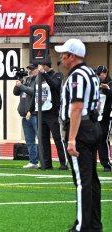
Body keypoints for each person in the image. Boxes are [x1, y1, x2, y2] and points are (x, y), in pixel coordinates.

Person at [55, 38, 102, 232]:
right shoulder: (91, 73)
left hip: (81, 129)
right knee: (92, 179)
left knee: (82, 181)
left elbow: (76, 107)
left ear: (71, 56)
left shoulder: (76, 76)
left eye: (63, 54)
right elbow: (97, 103)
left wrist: (72, 138)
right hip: (93, 125)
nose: (60, 58)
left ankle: (83, 227)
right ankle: (94, 224)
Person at [28, 62, 69, 170]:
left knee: (57, 138)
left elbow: (54, 85)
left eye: (38, 66)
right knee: (43, 139)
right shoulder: (38, 78)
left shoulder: (57, 75)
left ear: (45, 65)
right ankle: (46, 164)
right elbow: (35, 95)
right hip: (40, 112)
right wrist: (30, 110)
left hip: (52, 111)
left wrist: (44, 73)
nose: (37, 68)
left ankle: (63, 163)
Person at [13, 64, 39, 169]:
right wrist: (19, 81)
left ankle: (44, 161)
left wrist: (21, 86)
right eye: (29, 69)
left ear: (38, 69)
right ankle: (33, 161)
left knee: (40, 138)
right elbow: (15, 92)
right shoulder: (26, 80)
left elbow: (34, 92)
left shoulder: (38, 80)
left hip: (35, 114)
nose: (30, 71)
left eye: (32, 69)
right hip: (24, 115)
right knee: (29, 140)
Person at [95, 65, 112, 172]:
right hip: (96, 116)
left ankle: (106, 163)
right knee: (94, 139)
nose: (97, 75)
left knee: (103, 138)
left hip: (106, 116)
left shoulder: (110, 84)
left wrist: (107, 90)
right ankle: (101, 162)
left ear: (105, 73)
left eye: (99, 73)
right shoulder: (95, 84)